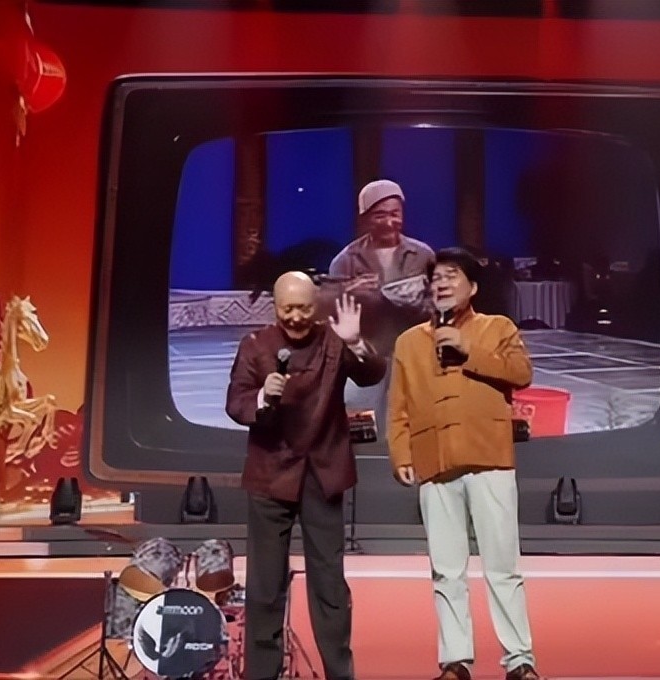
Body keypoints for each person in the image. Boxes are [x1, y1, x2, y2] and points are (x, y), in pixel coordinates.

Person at [386, 247, 542, 680]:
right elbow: (398, 405)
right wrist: (401, 453)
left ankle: (519, 660)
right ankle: (455, 661)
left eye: (451, 276)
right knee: (446, 570)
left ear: (472, 287)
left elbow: (522, 373)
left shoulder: (497, 328)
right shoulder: (409, 342)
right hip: (434, 461)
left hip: (489, 459)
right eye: (436, 278)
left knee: (503, 567)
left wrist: (466, 349)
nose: (441, 284)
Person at [225, 272, 386, 680]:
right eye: (287, 309)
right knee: (264, 585)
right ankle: (262, 673)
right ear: (275, 307)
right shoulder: (255, 345)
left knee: (329, 583)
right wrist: (263, 396)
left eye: (304, 308)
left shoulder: (334, 340)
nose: (296, 317)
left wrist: (355, 342)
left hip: (323, 474)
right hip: (270, 475)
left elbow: (372, 373)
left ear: (317, 306)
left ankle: (339, 672)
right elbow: (236, 402)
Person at [329, 179, 435, 424]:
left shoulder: (423, 255)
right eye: (380, 216)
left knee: (415, 420)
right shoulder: (346, 261)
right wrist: (356, 295)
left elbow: (439, 304)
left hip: (414, 354)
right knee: (366, 422)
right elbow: (333, 315)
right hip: (366, 356)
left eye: (395, 214)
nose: (389, 222)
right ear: (364, 218)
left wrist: (412, 303)